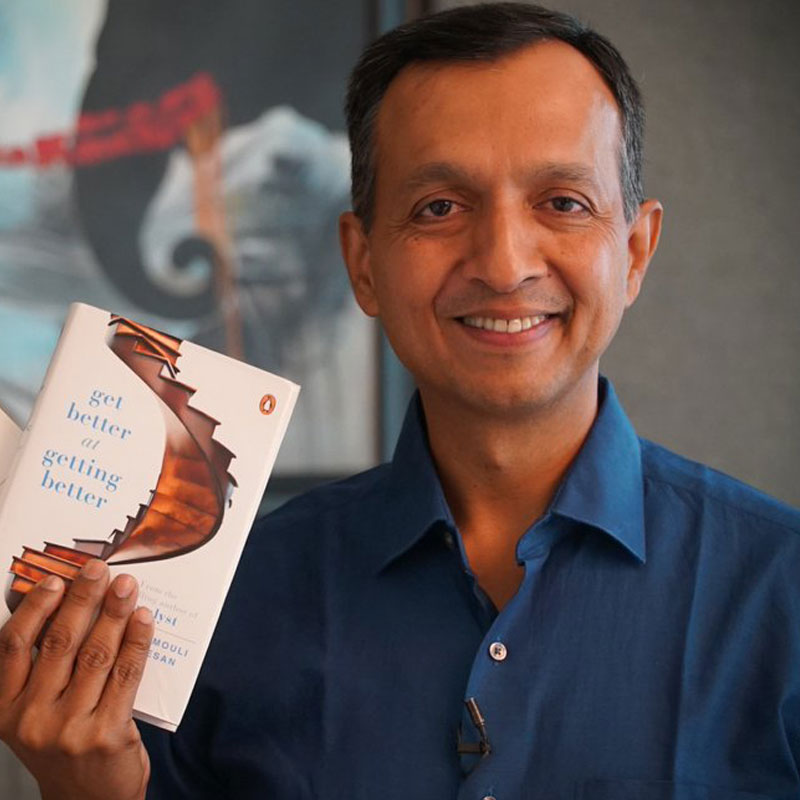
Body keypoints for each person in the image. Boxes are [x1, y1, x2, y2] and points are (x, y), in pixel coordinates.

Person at [2, 3, 799, 798]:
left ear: (634, 251)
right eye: (439, 208)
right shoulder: (224, 602)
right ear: (364, 264)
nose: (504, 264)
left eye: (563, 202)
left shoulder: (780, 590)